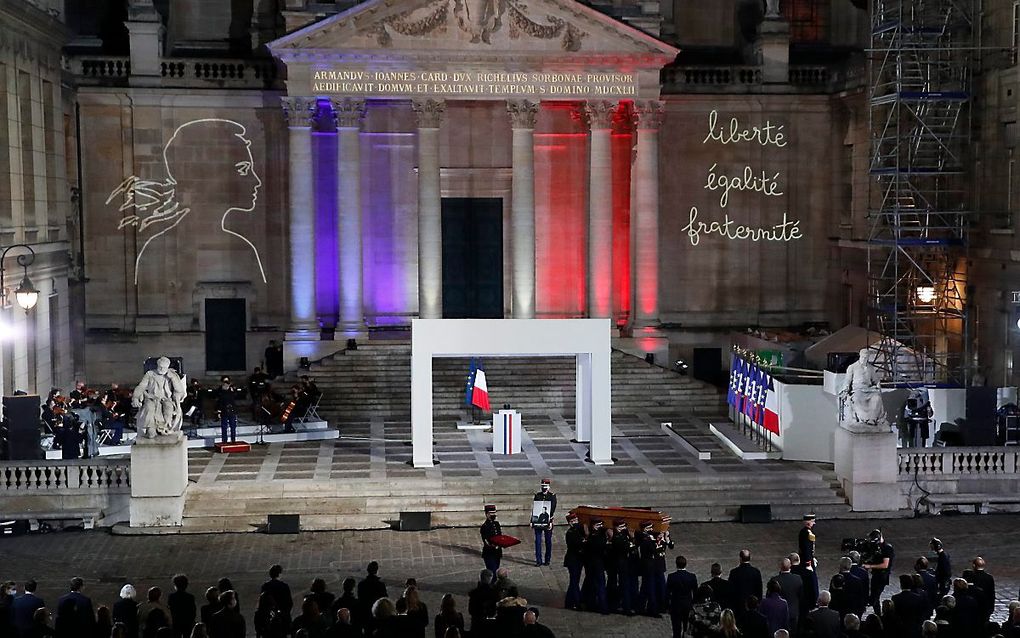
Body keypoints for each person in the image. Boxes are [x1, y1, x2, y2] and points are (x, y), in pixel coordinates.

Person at [665, 555, 698, 638]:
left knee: (676, 627)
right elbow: (695, 591)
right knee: (686, 626)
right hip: (687, 604)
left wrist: (667, 606)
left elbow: (667, 593)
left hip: (676, 605)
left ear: (676, 565)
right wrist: (693, 603)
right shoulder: (692, 577)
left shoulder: (672, 577)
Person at [862, 530, 894, 615]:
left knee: (874, 598)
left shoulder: (887, 548)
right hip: (876, 575)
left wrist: (870, 566)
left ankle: (877, 614)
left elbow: (885, 565)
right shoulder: (877, 547)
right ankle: (878, 614)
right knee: (875, 597)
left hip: (882, 576)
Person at [609, 519, 637, 615]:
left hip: (622, 564)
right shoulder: (617, 537)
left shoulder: (622, 535)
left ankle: (620, 605)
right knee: (623, 586)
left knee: (622, 586)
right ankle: (625, 607)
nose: (623, 528)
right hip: (620, 565)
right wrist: (632, 541)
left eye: (624, 526)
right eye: (621, 527)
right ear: (616, 527)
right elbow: (628, 548)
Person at [582, 518, 609, 614]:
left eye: (601, 525)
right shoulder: (594, 537)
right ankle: (602, 607)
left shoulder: (596, 535)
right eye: (598, 525)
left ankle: (591, 604)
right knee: (599, 585)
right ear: (593, 526)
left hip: (594, 564)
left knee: (593, 585)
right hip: (595, 565)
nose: (600, 527)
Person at [730, 550, 764, 622]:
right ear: (749, 558)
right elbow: (759, 590)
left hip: (738, 607)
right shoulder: (756, 572)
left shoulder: (734, 572)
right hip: (753, 606)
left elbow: (731, 590)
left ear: (740, 558)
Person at [773, 558, 803, 636]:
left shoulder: (775, 580)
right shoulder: (798, 579)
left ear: (780, 566)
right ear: (790, 566)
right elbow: (801, 596)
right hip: (793, 612)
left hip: (779, 613)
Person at [563, 512, 586, 611]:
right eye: (572, 521)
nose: (574, 522)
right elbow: (576, 545)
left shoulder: (578, 530)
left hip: (578, 560)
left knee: (574, 581)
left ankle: (569, 602)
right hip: (573, 561)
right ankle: (576, 602)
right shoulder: (570, 533)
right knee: (574, 582)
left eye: (576, 520)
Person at [531, 479, 557, 567]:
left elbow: (552, 510)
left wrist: (550, 522)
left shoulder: (552, 496)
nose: (544, 488)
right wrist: (532, 521)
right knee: (538, 541)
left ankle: (547, 559)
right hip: (538, 521)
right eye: (543, 486)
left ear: (548, 487)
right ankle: (538, 560)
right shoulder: (538, 496)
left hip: (548, 521)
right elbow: (535, 509)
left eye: (545, 486)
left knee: (548, 541)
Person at [798, 514, 819, 612]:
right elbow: (807, 549)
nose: (814, 523)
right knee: (811, 582)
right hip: (807, 562)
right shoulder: (807, 533)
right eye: (812, 521)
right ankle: (812, 601)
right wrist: (808, 563)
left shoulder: (804, 532)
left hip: (808, 559)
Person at [967, 557, 995, 623]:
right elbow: (992, 594)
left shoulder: (971, 577)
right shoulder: (989, 578)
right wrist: (991, 608)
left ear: (974, 565)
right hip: (985, 607)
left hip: (974, 607)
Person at [467, 570, 496, 634]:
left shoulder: (474, 593)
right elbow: (493, 611)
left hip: (475, 622)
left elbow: (470, 610)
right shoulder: (492, 593)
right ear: (490, 579)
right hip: (488, 622)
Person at [215, 377, 240, 444]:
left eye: (227, 384)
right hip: (224, 411)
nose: (226, 386)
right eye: (225, 384)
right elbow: (219, 402)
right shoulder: (221, 392)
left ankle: (233, 440)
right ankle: (224, 440)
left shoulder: (231, 391)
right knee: (224, 426)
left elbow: (235, 397)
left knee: (233, 426)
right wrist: (219, 411)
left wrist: (233, 391)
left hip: (232, 411)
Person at [480, 504, 504, 575]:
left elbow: (499, 535)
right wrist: (494, 545)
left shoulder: (496, 524)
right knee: (492, 573)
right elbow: (486, 541)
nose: (494, 515)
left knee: (496, 572)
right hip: (489, 553)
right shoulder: (485, 527)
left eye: (494, 513)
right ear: (487, 514)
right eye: (492, 513)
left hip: (497, 553)